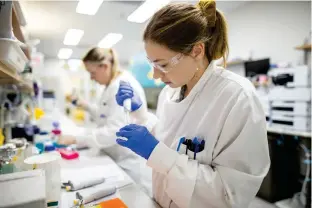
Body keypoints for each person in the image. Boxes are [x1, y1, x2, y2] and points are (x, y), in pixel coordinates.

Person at [115, 0, 270, 208]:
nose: (155, 75)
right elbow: (168, 137)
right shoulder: (169, 92)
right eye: (152, 64)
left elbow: (229, 196)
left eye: (163, 64)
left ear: (197, 51)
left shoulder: (237, 98)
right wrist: (139, 112)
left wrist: (156, 154)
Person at [59, 47, 152, 196]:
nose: (91, 77)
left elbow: (115, 131)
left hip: (127, 163)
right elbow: (106, 115)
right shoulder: (111, 84)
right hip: (115, 158)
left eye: (92, 73)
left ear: (104, 66)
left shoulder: (122, 86)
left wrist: (77, 139)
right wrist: (87, 106)